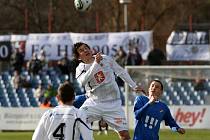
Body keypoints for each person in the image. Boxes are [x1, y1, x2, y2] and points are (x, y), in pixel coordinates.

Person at [73, 42, 144, 140]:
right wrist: (96, 64)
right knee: (75, 123)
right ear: (78, 57)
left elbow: (120, 71)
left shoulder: (105, 58)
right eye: (81, 50)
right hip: (94, 103)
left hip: (113, 104)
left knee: (124, 135)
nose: (85, 50)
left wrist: (134, 85)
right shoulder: (80, 68)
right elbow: (83, 81)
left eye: (86, 48)